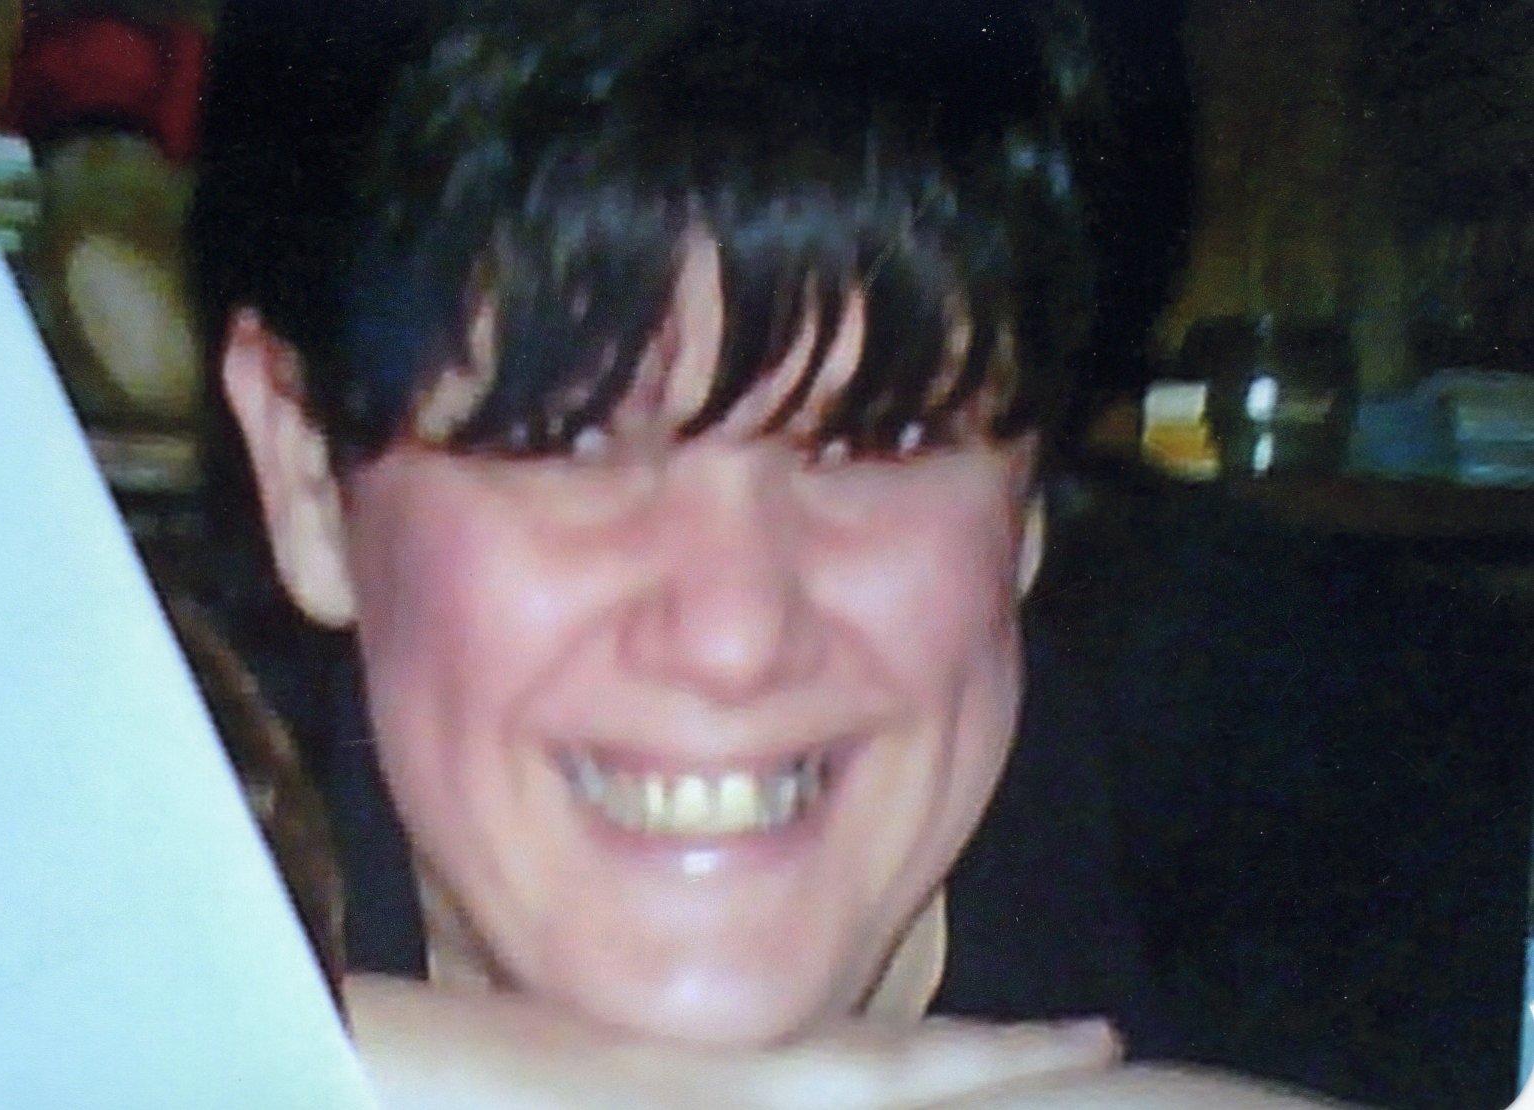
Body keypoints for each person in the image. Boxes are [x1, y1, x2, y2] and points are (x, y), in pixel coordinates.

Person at [187, 1, 1347, 1104]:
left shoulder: (1313, 779)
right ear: (307, 477)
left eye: (877, 437)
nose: (734, 637)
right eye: (567, 440)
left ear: (1029, 488)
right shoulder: (148, 815)